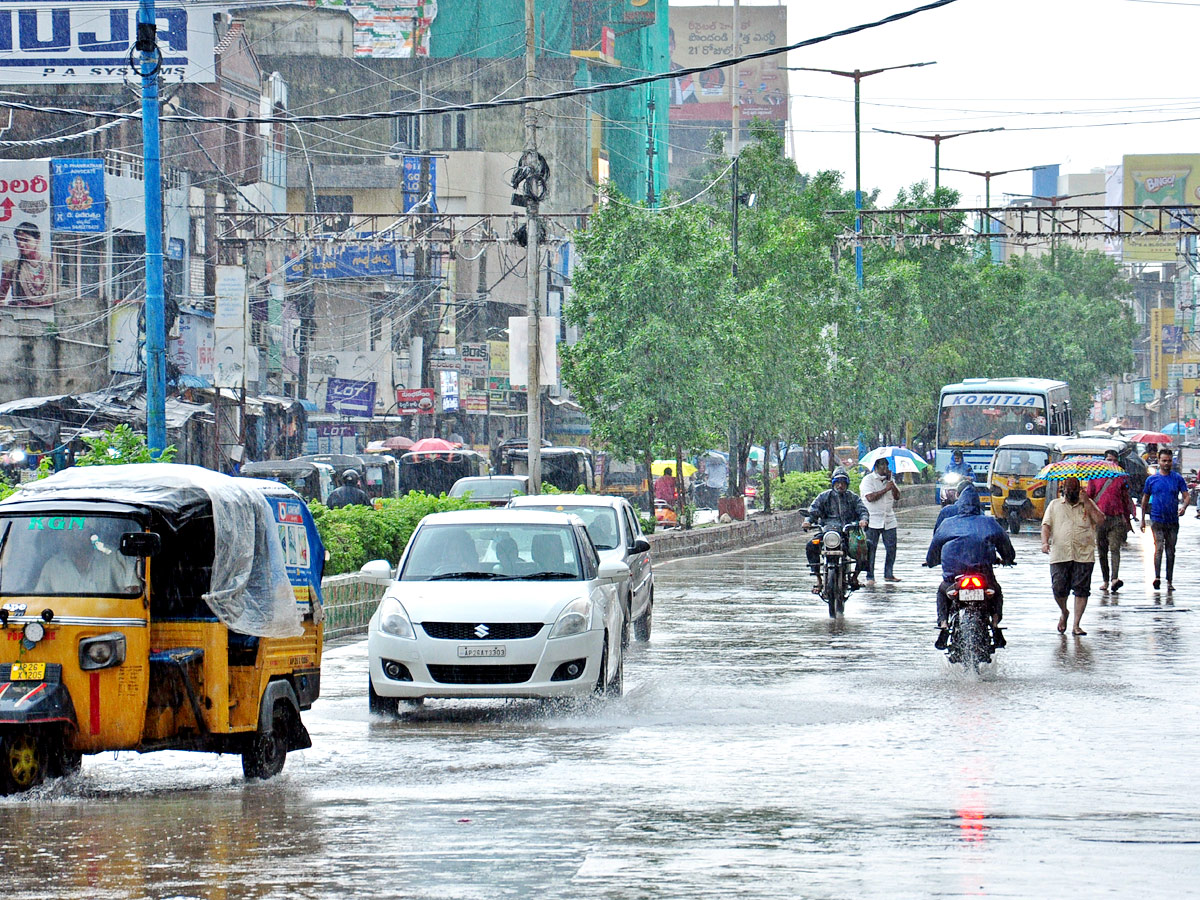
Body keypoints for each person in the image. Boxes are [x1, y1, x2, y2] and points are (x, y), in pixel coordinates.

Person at [926, 483, 1015, 649]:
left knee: (942, 592)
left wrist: (931, 562)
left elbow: (934, 549)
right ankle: (995, 624)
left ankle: (944, 625)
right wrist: (1008, 559)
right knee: (997, 592)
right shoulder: (989, 522)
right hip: (984, 577)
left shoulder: (947, 523)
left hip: (954, 579)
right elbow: (1006, 546)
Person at [1042, 476, 1105, 635]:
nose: (1070, 493)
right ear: (1063, 490)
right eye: (1068, 490)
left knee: (1081, 590)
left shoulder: (1087, 504)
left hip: (1083, 555)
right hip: (1060, 554)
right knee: (1058, 589)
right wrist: (1044, 542)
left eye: (1074, 490)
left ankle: (1076, 625)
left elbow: (1100, 520)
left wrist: (1088, 502)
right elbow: (1046, 525)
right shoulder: (1054, 505)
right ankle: (1064, 611)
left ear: (1079, 490)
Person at [803, 466, 869, 591]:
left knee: (867, 545)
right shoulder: (824, 497)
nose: (840, 485)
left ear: (847, 484)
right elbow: (813, 511)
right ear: (833, 483)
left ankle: (855, 576)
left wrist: (863, 520)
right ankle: (818, 579)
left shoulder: (853, 497)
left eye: (843, 482)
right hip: (828, 533)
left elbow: (862, 510)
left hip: (848, 533)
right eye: (837, 482)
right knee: (811, 545)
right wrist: (807, 521)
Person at [1140, 447, 1191, 591]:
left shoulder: (1177, 478)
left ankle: (1169, 580)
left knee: (1170, 550)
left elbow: (1186, 496)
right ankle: (1157, 577)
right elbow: (1145, 499)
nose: (1166, 464)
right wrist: (1143, 519)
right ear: (1159, 461)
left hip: (1172, 520)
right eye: (1164, 461)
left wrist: (1184, 507)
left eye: (1169, 461)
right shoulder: (1151, 480)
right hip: (1156, 519)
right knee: (1159, 548)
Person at [1087, 449, 1135, 593]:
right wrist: (1089, 518)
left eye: (1114, 460)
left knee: (1115, 548)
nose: (1112, 462)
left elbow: (1126, 499)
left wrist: (1128, 519)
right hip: (1100, 519)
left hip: (1117, 518)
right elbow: (1089, 498)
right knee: (1102, 551)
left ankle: (1115, 578)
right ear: (1103, 461)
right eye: (1109, 459)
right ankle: (1106, 580)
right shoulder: (1095, 476)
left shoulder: (1121, 477)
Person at [860, 457, 902, 584]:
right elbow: (870, 497)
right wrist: (885, 489)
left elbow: (897, 496)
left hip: (888, 518)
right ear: (876, 467)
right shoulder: (868, 480)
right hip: (872, 518)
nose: (885, 468)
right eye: (882, 466)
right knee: (871, 548)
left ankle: (889, 574)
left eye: (886, 466)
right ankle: (870, 576)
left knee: (891, 548)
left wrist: (892, 485)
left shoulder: (890, 481)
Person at [0, 221, 50, 307]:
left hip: (48, 314)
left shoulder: (50, 263)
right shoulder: (11, 266)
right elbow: (1, 296)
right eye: (18, 240)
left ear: (38, 240)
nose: (21, 244)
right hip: (18, 316)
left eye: (25, 240)